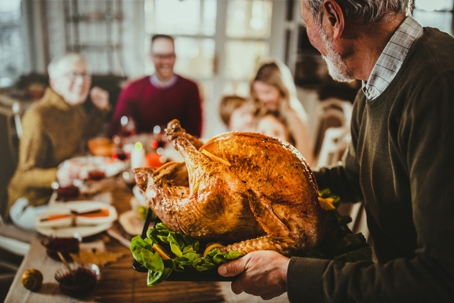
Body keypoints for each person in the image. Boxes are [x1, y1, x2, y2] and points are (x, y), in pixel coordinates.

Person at [218, 0, 454, 302]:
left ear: (333, 18)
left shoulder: (438, 87)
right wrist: (260, 189)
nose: (310, 38)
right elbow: (353, 177)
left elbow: (438, 279)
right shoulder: (376, 79)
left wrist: (289, 274)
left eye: (307, 24)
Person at [7, 52, 110, 230]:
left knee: (106, 208)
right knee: (91, 224)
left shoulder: (73, 108)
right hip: (30, 204)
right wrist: (57, 175)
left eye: (85, 74)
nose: (81, 81)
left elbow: (83, 135)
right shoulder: (38, 116)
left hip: (61, 195)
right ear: (53, 82)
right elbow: (23, 175)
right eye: (73, 74)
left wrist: (100, 110)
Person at [106, 34, 203, 138]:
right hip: (142, 151)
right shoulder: (133, 89)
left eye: (170, 56)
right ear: (150, 56)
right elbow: (115, 130)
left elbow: (195, 133)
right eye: (160, 56)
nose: (166, 61)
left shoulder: (190, 88)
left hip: (177, 152)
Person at [251, 59, 314, 165]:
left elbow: (306, 159)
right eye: (258, 92)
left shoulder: (294, 116)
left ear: (282, 89)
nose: (262, 98)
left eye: (267, 92)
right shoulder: (267, 109)